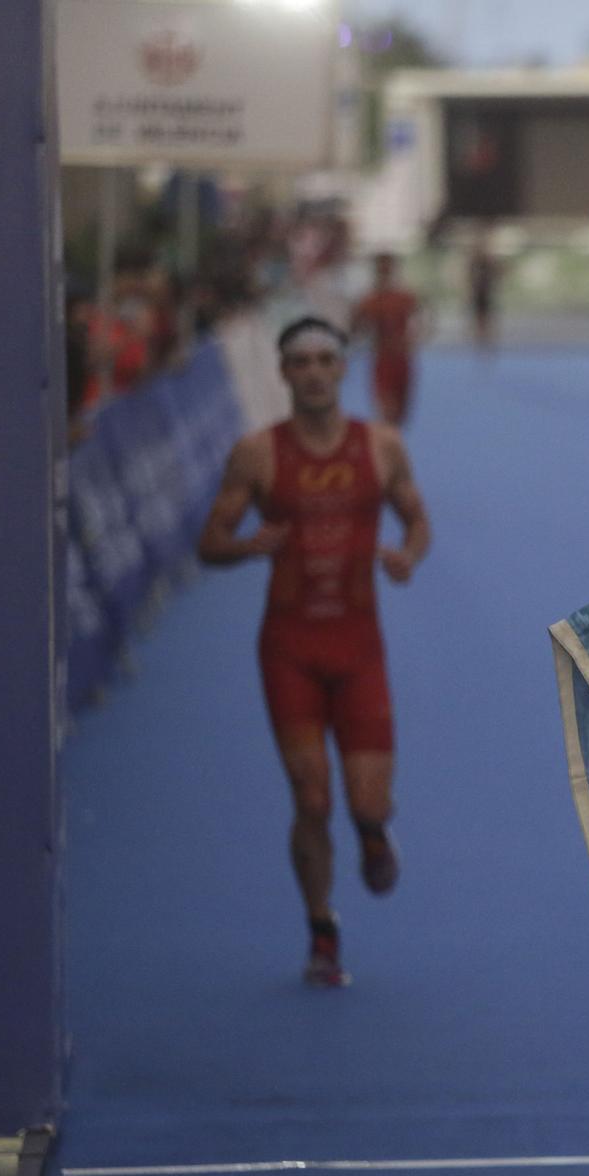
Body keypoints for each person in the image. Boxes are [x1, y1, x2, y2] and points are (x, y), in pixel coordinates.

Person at [197, 317, 433, 987]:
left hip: (360, 649)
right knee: (310, 797)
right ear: (283, 373)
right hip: (289, 649)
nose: (315, 372)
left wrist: (406, 557)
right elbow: (208, 542)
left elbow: (419, 520)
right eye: (300, 361)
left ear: (342, 367)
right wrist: (246, 547)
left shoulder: (381, 447)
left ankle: (373, 831)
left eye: (327, 359)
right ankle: (322, 932)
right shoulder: (257, 454)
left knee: (365, 801)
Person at [351, 253, 425, 426]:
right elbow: (355, 329)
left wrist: (415, 337)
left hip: (402, 360)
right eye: (381, 269)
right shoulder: (369, 300)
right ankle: (385, 446)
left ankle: (391, 446)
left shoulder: (404, 297)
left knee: (400, 417)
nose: (385, 273)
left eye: (388, 269)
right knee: (386, 411)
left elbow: (422, 315)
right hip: (383, 360)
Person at [466, 236, 499, 354]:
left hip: (485, 294)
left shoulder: (488, 264)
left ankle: (486, 339)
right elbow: (469, 278)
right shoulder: (474, 264)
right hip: (478, 293)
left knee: (486, 317)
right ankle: (480, 339)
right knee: (479, 317)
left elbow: (496, 274)